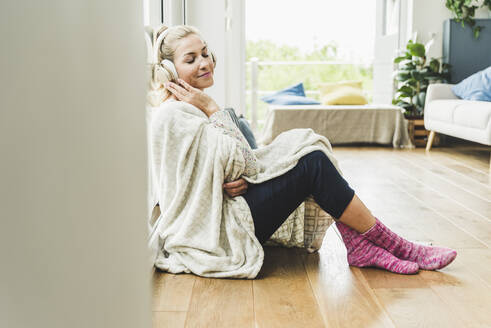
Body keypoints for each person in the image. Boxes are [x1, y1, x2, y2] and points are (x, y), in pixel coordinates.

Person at [148, 24, 457, 278]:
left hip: (228, 210)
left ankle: (364, 243)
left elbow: (225, 167)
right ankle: (396, 245)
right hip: (218, 234)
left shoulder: (187, 109)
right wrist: (214, 110)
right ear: (167, 72)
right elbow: (239, 164)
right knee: (313, 164)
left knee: (307, 147)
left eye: (205, 53)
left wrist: (230, 176)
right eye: (191, 59)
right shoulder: (177, 115)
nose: (204, 62)